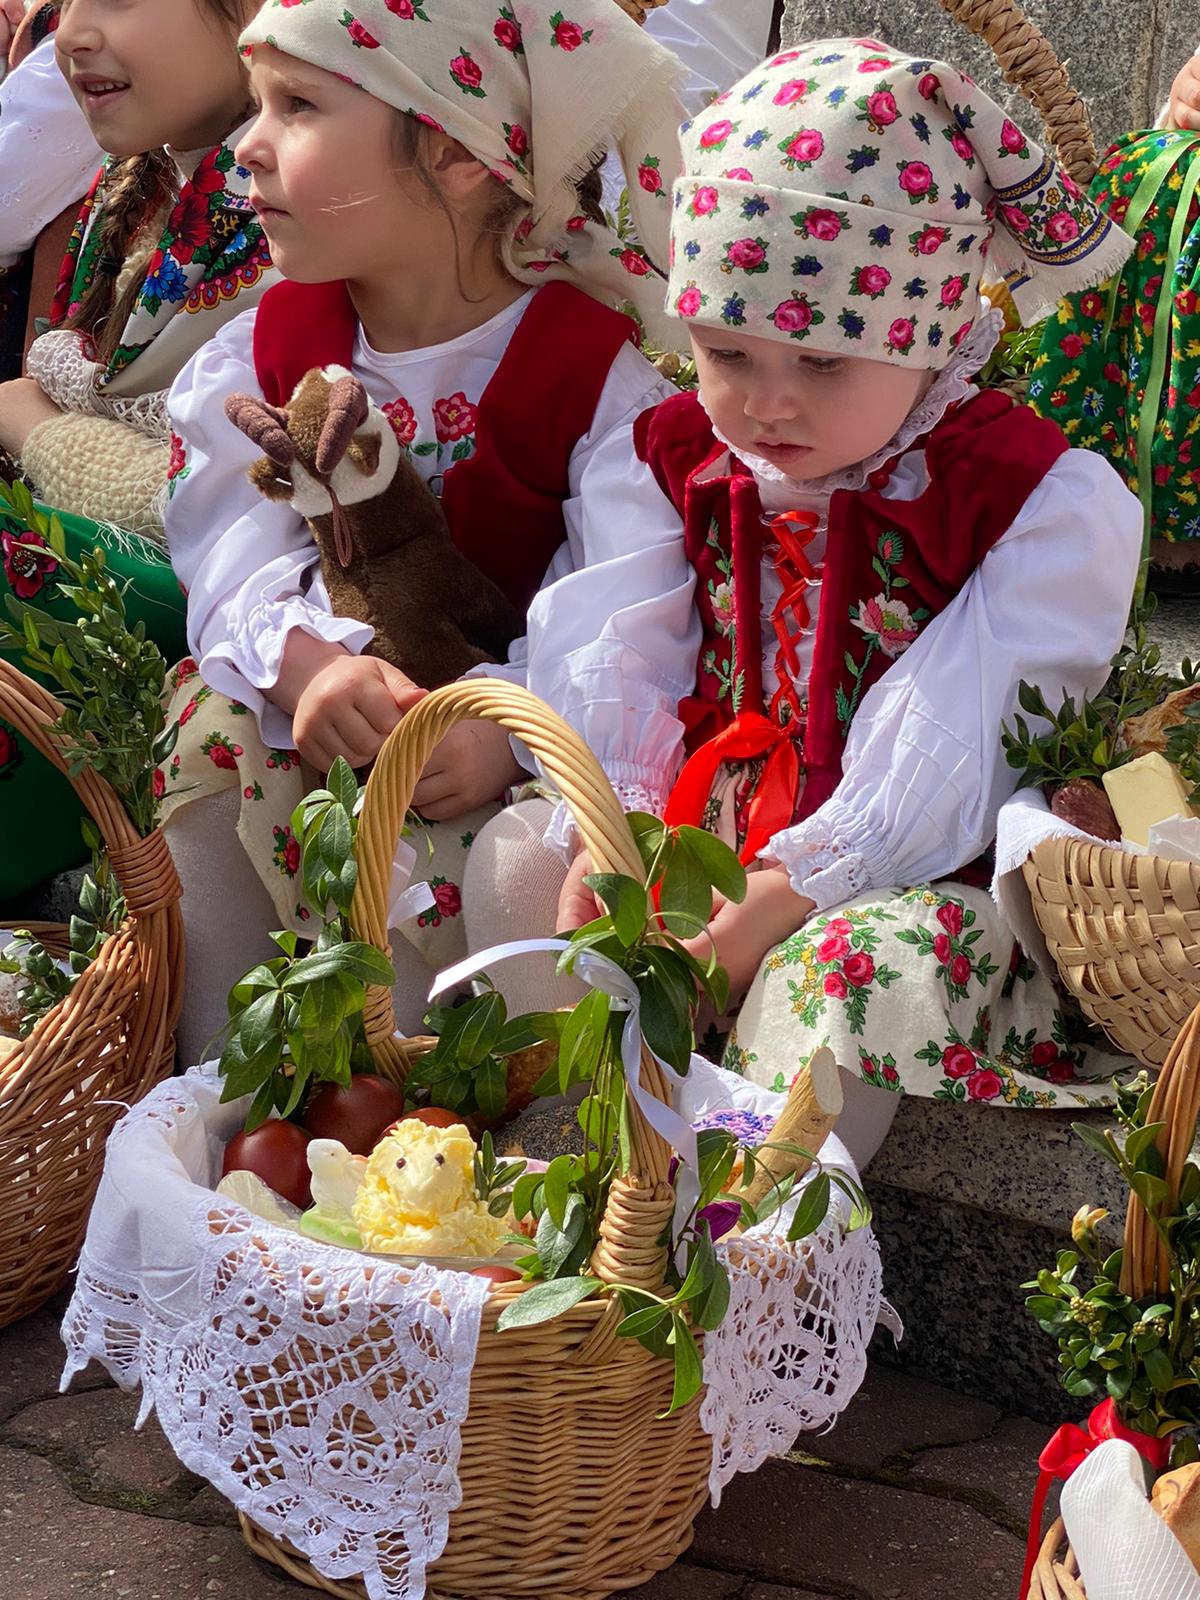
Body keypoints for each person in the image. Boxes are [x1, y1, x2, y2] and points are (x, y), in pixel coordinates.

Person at [523, 38, 1144, 1165]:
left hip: (908, 868)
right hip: (704, 824)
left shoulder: (1026, 497)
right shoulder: (669, 456)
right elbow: (624, 642)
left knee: (837, 977)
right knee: (519, 867)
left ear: (937, 331)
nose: (767, 406)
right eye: (727, 352)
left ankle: (760, 1237)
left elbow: (963, 731)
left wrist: (785, 893)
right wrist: (612, 829)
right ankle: (555, 1184)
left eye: (822, 363)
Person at [160, 0, 688, 1065]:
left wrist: (505, 730)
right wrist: (310, 665)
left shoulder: (595, 380)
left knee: (480, 860)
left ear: (452, 150)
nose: (246, 145)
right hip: (322, 727)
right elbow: (228, 548)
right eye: (258, 104)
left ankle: (420, 1089)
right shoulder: (265, 350)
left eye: (298, 106)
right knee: (214, 723)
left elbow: (622, 613)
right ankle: (215, 1068)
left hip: (481, 761)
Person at [0, 0, 277, 535]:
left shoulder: (300, 221)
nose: (68, 35)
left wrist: (33, 426)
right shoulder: (131, 179)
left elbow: (253, 508)